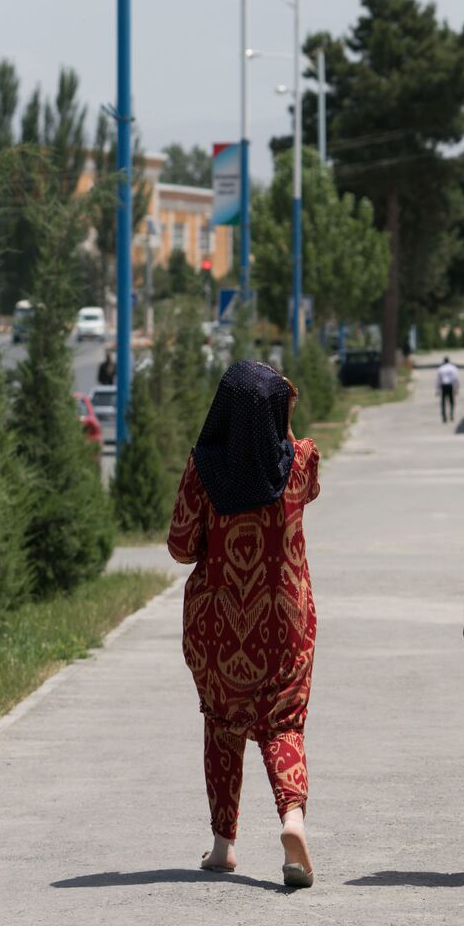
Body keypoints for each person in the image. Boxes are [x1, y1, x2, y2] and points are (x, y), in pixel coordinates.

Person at [167, 361, 322, 888]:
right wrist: (283, 429)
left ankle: (223, 845)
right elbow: (308, 489)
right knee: (283, 722)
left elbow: (180, 547)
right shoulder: (298, 461)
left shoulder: (203, 469)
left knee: (222, 721)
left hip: (216, 622)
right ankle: (292, 821)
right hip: (285, 618)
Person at [436, 356, 460, 423]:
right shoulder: (453, 368)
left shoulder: (441, 368)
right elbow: (456, 378)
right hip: (450, 385)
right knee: (451, 401)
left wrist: (437, 389)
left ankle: (444, 417)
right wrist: (457, 387)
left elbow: (438, 380)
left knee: (443, 402)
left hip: (443, 386)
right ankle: (451, 414)